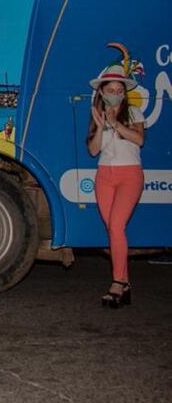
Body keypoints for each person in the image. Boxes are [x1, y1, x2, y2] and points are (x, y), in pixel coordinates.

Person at [86, 46, 146, 308]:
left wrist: (116, 124)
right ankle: (125, 284)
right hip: (104, 176)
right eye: (110, 91)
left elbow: (139, 139)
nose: (115, 95)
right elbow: (93, 150)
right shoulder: (97, 115)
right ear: (101, 92)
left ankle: (118, 282)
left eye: (119, 91)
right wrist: (100, 127)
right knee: (113, 230)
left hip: (129, 174)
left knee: (116, 227)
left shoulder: (133, 113)